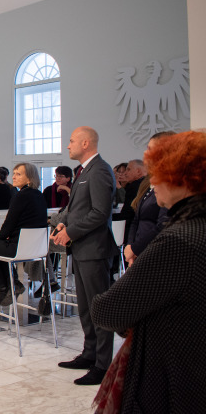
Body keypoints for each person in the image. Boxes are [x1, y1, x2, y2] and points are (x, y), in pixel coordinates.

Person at [91, 130, 206, 413]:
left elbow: (107, 310)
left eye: (159, 173)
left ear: (186, 180)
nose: (152, 182)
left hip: (171, 370)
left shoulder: (178, 240)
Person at [51, 126, 118, 385]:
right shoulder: (83, 171)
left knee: (98, 307)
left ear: (86, 143)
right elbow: (77, 208)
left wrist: (72, 232)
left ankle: (103, 364)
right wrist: (63, 223)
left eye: (71, 141)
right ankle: (89, 353)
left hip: (94, 249)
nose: (68, 146)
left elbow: (100, 212)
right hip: (82, 247)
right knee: (86, 308)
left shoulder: (100, 170)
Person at [0, 163, 48, 305]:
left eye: (18, 174)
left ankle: (4, 288)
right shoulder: (39, 194)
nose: (14, 177)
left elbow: (10, 222)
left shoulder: (21, 196)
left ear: (29, 178)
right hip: (37, 248)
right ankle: (14, 284)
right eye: (13, 173)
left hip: (18, 247)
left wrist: (0, 236)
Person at [122, 132, 175, 267]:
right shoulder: (147, 183)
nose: (145, 154)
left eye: (150, 149)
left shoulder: (170, 182)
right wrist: (130, 245)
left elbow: (164, 223)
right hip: (138, 249)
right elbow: (136, 219)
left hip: (155, 252)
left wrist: (135, 248)